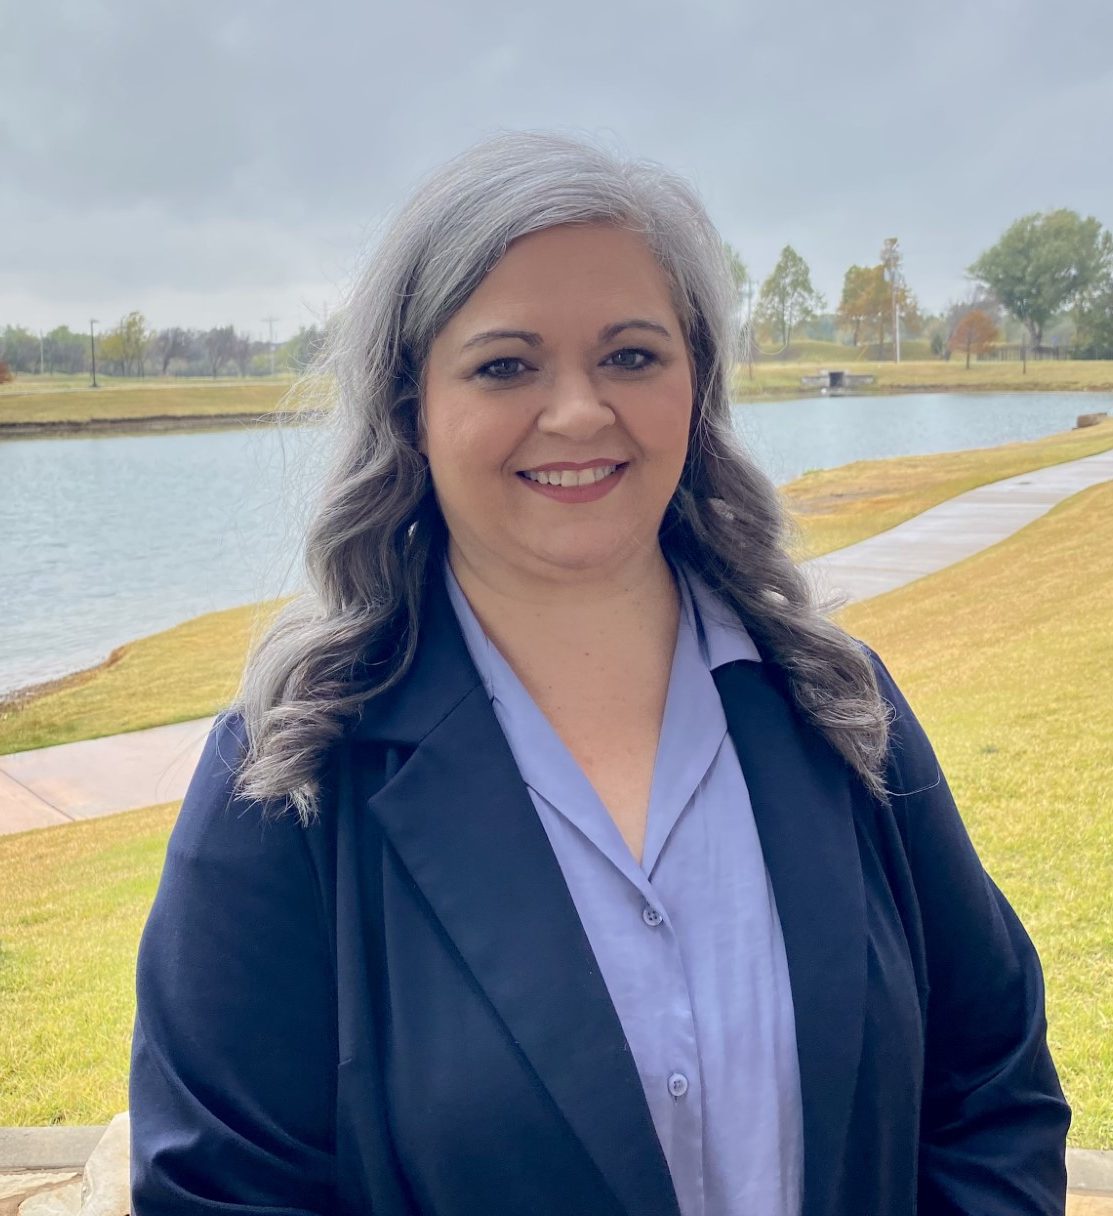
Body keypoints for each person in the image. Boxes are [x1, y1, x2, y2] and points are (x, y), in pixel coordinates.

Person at [129, 132, 1070, 1216]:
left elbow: (991, 1081)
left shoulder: (837, 704)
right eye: (505, 364)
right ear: (411, 409)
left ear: (697, 385)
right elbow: (220, 1192)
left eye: (630, 355)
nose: (578, 412)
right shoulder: (286, 779)